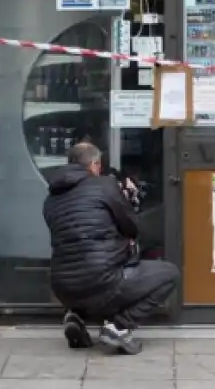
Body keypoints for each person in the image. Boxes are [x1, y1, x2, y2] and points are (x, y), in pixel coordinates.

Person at [42, 142, 179, 355]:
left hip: (63, 287)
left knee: (86, 266)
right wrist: (129, 201)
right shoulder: (104, 185)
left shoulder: (51, 199)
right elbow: (132, 227)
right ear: (95, 164)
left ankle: (75, 316)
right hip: (101, 281)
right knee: (169, 273)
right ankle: (120, 327)